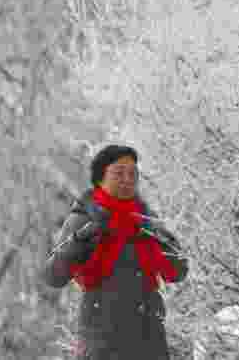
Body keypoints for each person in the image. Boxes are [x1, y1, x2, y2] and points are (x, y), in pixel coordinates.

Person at [40, 145, 189, 359]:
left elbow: (178, 272)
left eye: (133, 173)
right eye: (119, 173)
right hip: (102, 342)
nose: (128, 179)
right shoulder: (84, 217)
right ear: (100, 178)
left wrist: (162, 239)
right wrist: (81, 239)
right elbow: (52, 276)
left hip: (149, 341)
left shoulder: (146, 218)